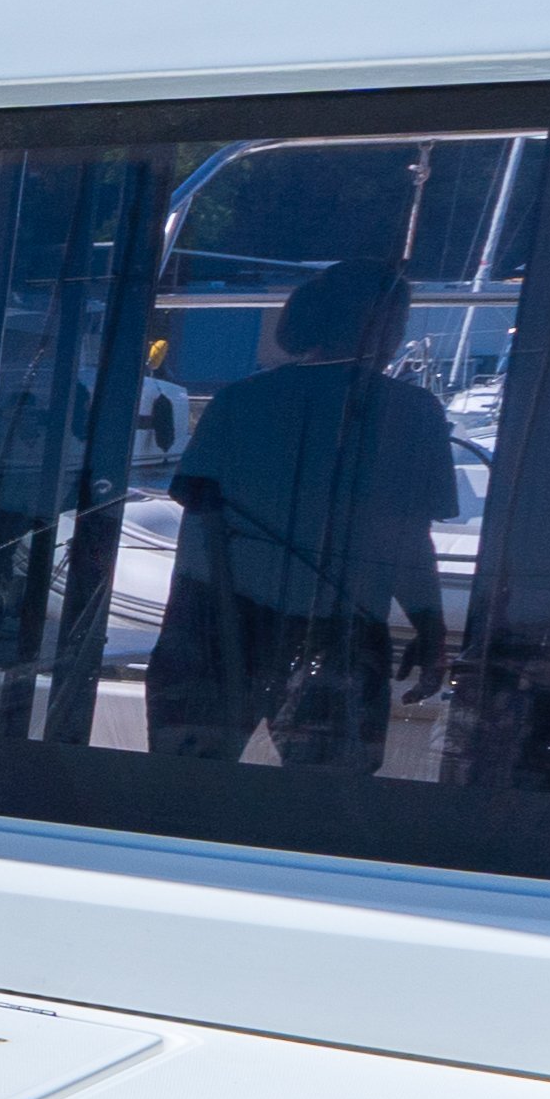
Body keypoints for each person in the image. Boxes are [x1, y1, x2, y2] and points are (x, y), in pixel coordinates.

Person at [147, 256, 458, 769]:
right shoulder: (414, 413)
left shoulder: (236, 402)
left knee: (184, 788)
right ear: (379, 328)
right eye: (397, 325)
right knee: (325, 802)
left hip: (215, 627)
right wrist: (430, 630)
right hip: (341, 634)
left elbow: (200, 533)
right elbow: (406, 540)